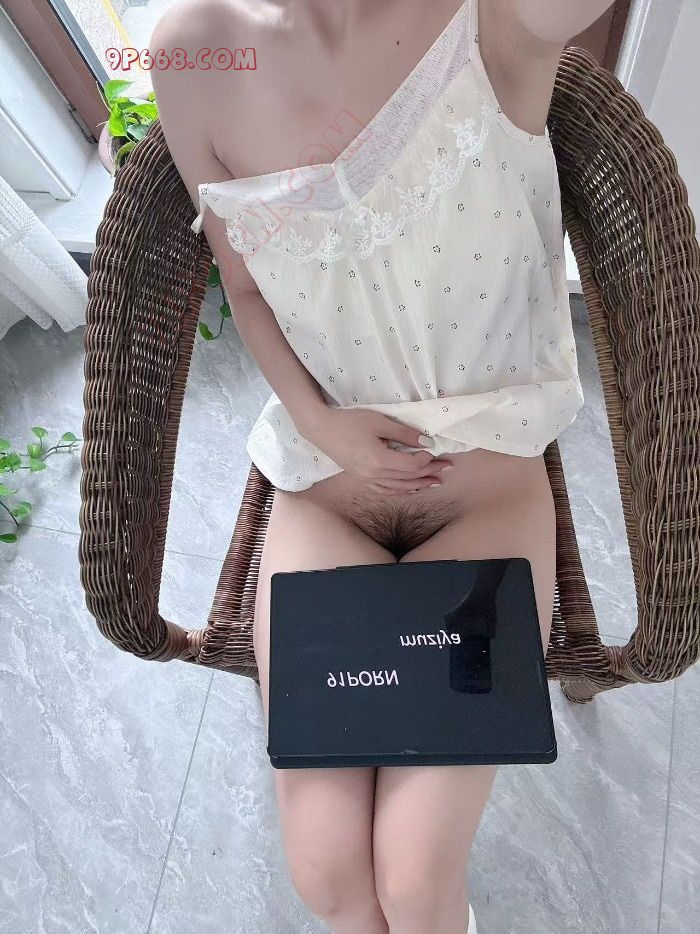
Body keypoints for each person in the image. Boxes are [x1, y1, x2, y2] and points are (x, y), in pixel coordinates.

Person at [151, 1, 611, 929]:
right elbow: (244, 285)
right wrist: (319, 422)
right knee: (327, 872)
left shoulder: (497, 19)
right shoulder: (195, 50)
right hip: (324, 491)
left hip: (483, 494)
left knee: (415, 873)